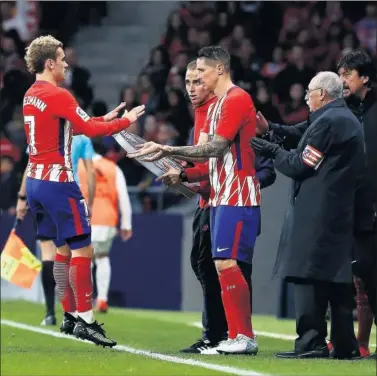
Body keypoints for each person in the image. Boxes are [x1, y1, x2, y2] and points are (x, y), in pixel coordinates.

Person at [128, 46, 260, 355]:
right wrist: (183, 175)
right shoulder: (215, 107)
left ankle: (241, 335)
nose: (194, 81)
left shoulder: (236, 100)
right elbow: (208, 160)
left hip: (236, 194)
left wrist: (169, 150)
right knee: (219, 264)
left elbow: (215, 149)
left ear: (219, 70)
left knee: (228, 263)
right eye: (191, 76)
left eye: (200, 74)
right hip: (219, 196)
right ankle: (232, 335)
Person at [22, 35, 145, 347]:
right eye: (62, 59)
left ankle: (68, 315)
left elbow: (70, 126)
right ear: (49, 63)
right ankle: (87, 322)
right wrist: (125, 122)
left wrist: (105, 118)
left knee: (61, 250)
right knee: (83, 249)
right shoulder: (58, 94)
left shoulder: (30, 94)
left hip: (36, 182)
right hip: (58, 182)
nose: (66, 64)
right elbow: (88, 131)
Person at [250, 71, 364, 359]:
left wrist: (272, 151)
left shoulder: (329, 122)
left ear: (322, 95)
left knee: (308, 274)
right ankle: (344, 344)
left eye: (309, 92)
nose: (305, 97)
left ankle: (311, 342)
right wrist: (271, 129)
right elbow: (301, 132)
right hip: (336, 211)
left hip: (318, 213)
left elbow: (300, 164)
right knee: (335, 279)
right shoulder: (340, 118)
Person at [17, 133, 96, 327]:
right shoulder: (82, 137)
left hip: (40, 193)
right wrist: (90, 204)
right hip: (68, 194)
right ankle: (75, 313)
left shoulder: (39, 129)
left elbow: (30, 166)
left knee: (50, 254)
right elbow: (90, 172)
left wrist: (21, 197)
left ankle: (51, 313)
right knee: (79, 253)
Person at [337, 50, 376, 359]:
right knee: (360, 276)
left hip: (372, 206)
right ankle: (359, 344)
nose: (342, 81)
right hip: (353, 207)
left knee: (368, 274)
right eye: (340, 75)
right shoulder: (342, 111)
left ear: (364, 77)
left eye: (347, 75)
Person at [78, 138, 133, 313]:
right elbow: (124, 197)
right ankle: (102, 299)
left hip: (85, 217)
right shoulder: (113, 168)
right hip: (107, 219)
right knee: (102, 257)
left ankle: (85, 299)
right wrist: (126, 224)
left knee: (86, 260)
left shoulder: (78, 165)